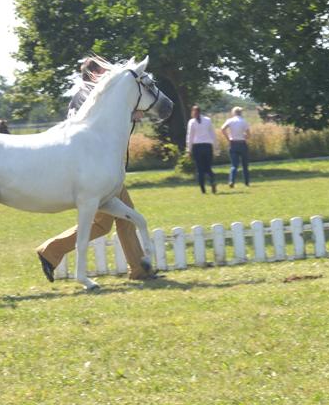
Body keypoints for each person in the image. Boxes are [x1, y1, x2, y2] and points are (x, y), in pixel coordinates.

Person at [35, 57, 158, 282]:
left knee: (111, 221)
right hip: (96, 170)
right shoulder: (92, 96)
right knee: (111, 221)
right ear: (95, 74)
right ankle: (51, 251)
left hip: (96, 167)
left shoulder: (81, 96)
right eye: (104, 70)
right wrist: (131, 114)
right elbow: (97, 125)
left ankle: (52, 252)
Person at [186, 104, 218, 194]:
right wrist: (215, 147)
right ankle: (212, 180)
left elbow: (190, 137)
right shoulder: (208, 120)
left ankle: (203, 190)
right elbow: (213, 134)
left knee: (200, 169)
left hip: (197, 147)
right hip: (207, 146)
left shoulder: (192, 122)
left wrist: (189, 149)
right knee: (208, 167)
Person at [221, 106, 251, 187]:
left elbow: (222, 129)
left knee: (234, 165)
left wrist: (228, 138)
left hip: (233, 143)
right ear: (241, 112)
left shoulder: (230, 121)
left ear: (233, 112)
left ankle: (232, 181)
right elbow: (249, 134)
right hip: (242, 143)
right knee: (245, 164)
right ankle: (246, 182)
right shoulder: (244, 121)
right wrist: (245, 136)